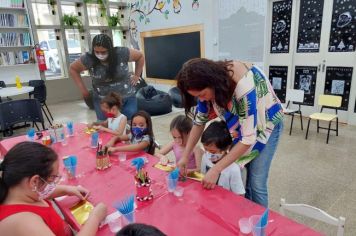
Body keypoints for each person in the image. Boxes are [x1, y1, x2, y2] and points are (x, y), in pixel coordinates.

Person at [176, 58, 284, 207]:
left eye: (201, 94)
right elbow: (199, 122)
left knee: (256, 183)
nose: (200, 99)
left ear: (211, 83)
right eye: (197, 96)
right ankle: (246, 212)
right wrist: (185, 156)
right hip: (243, 125)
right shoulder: (206, 86)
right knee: (242, 174)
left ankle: (260, 225)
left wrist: (216, 169)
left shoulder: (243, 87)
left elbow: (247, 139)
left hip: (266, 124)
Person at [0, 142, 107, 236]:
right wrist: (95, 217)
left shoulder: (18, 192)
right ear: (34, 182)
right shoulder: (24, 222)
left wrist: (67, 190)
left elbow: (41, 193)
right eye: (52, 178)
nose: (54, 183)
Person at [70, 34, 145, 121]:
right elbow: (73, 69)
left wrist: (137, 75)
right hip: (103, 100)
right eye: (97, 52)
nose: (100, 55)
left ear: (110, 49)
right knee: (105, 127)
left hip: (126, 97)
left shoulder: (121, 52)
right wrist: (84, 92)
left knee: (128, 125)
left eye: (103, 52)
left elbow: (140, 56)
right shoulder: (89, 58)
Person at [201, 121, 245, 195]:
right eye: (205, 149)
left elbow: (240, 195)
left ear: (226, 148)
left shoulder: (233, 169)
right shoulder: (205, 158)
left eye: (212, 151)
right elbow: (202, 177)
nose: (208, 153)